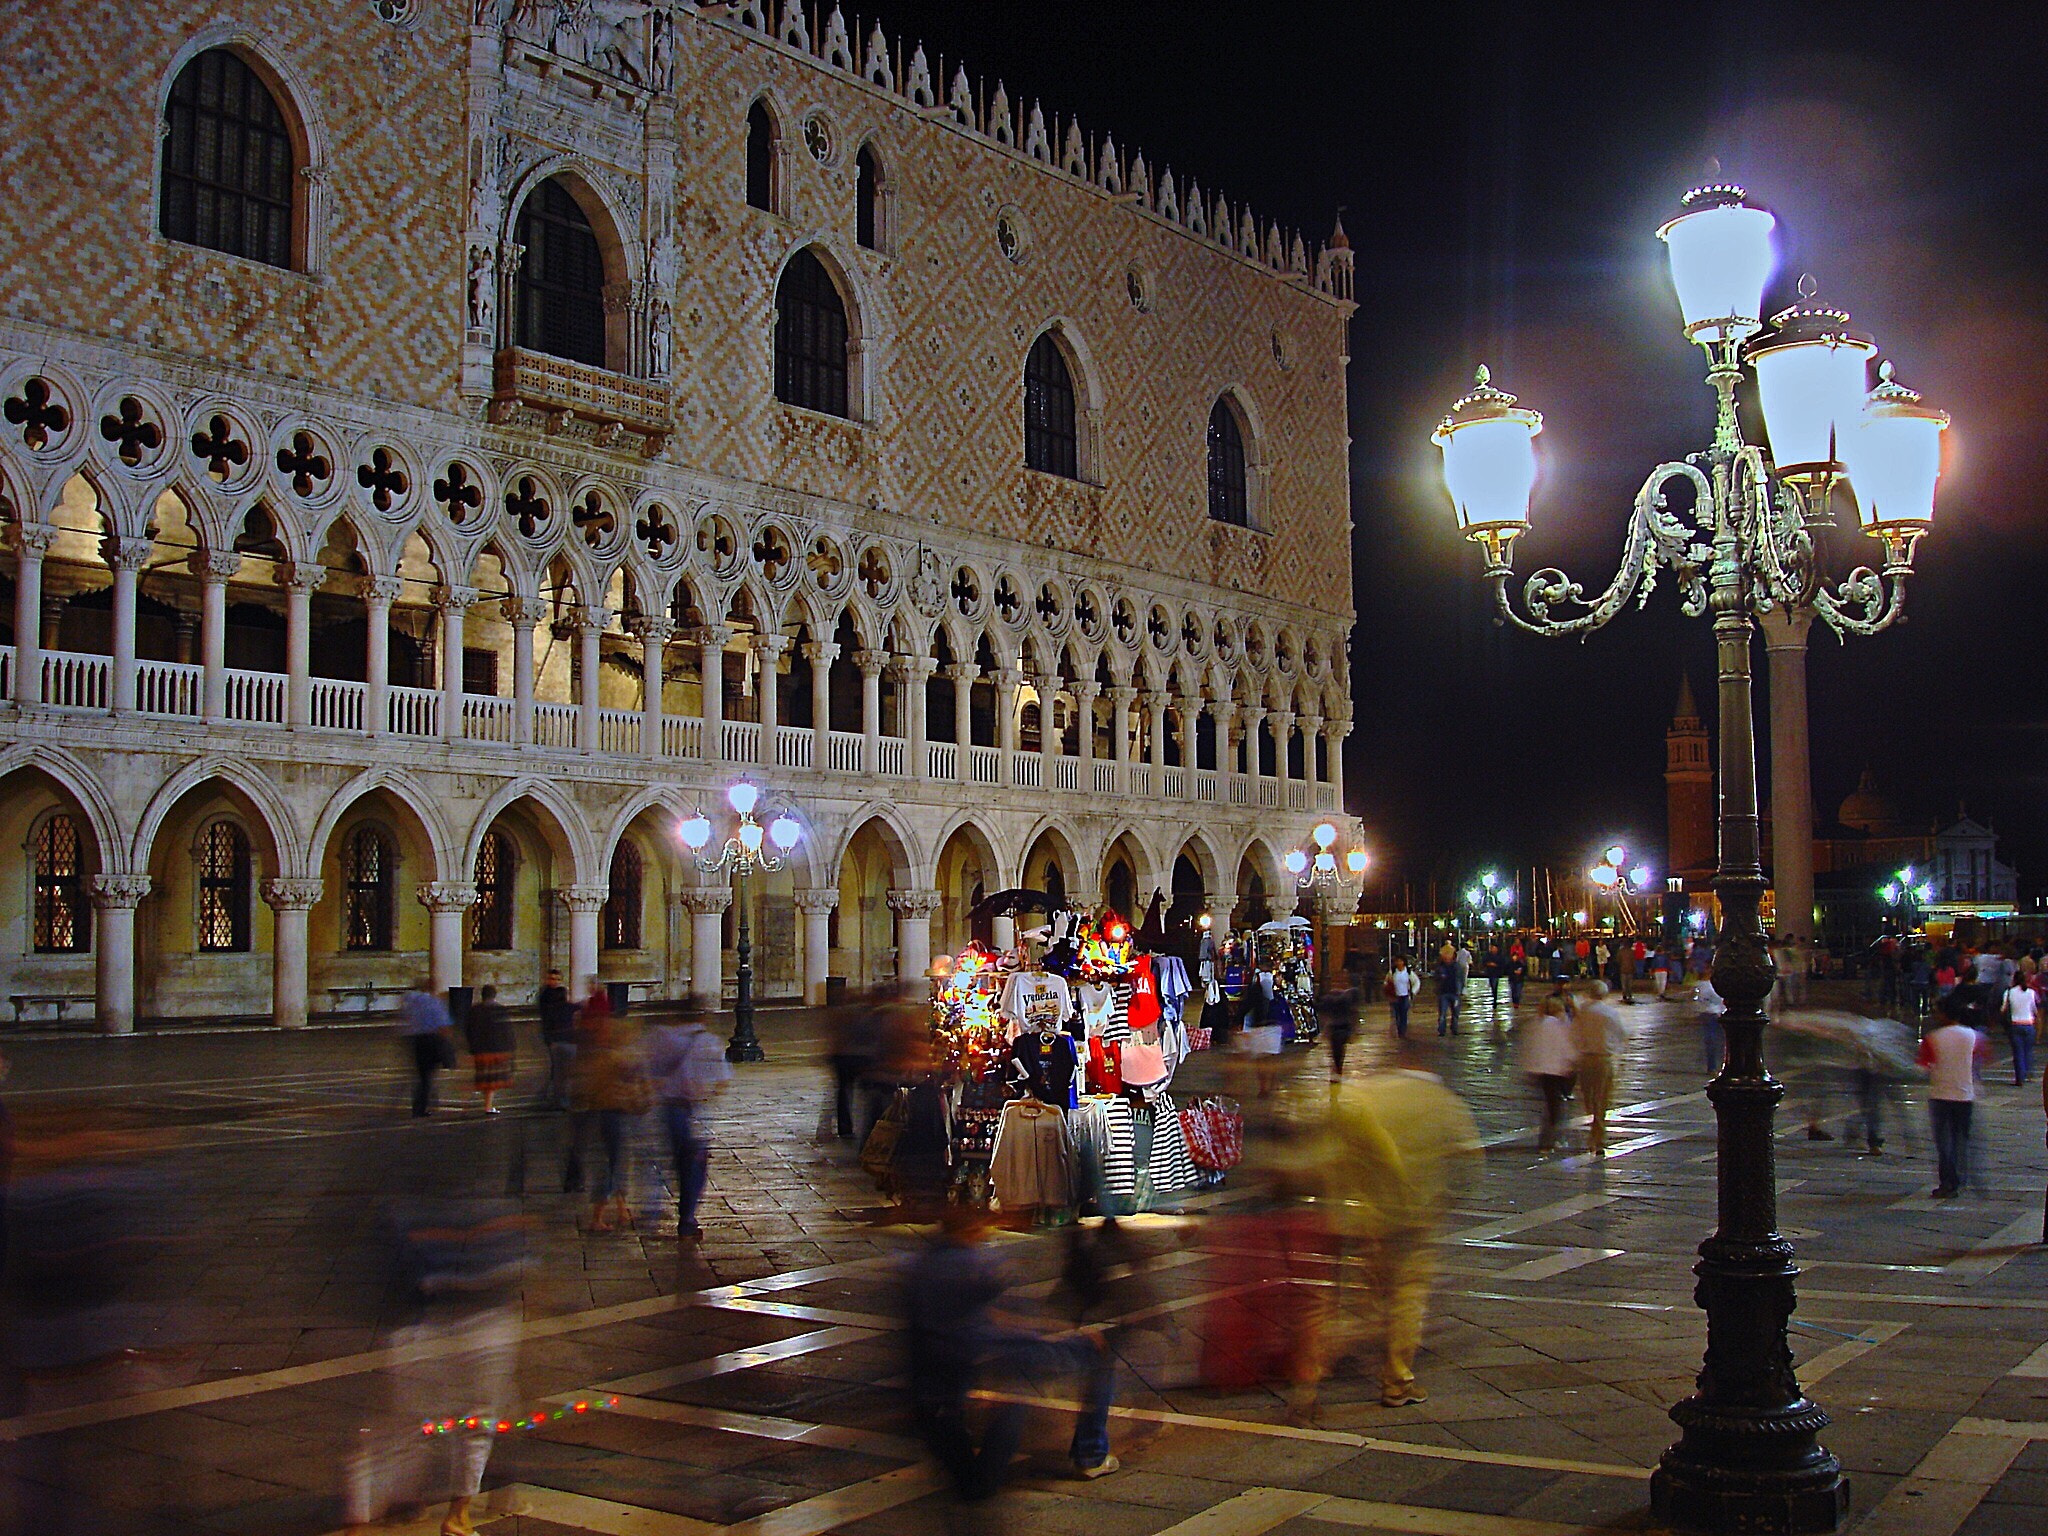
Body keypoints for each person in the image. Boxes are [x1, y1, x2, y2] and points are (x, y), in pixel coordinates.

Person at [903, 1200, 1118, 1498]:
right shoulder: (970, 1265)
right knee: (1093, 1355)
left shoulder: (924, 1263)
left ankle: (976, 1468)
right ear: (971, 1229)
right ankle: (1091, 1454)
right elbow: (999, 1312)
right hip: (982, 1354)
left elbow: (985, 1315)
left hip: (940, 1376)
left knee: (1008, 1396)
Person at [1321, 1060, 1480, 1407]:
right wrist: (1445, 1198)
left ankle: (1319, 1364)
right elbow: (1470, 1161)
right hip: (1414, 1217)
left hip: (1369, 1215)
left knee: (1369, 1292)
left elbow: (1341, 1152)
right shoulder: (1442, 1100)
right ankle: (1397, 1380)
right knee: (1407, 1298)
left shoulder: (1369, 1094)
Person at [644, 1009, 732, 1238]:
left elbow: (649, 1072)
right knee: (696, 1165)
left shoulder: (664, 1038)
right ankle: (687, 1217)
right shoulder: (710, 1042)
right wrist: (706, 1091)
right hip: (695, 1111)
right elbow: (722, 1082)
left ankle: (666, 1206)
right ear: (702, 1018)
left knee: (678, 1160)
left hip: (670, 1109)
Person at [1921, 995, 1989, 1198]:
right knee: (1961, 1140)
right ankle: (1960, 1178)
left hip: (1940, 1094)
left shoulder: (1932, 1038)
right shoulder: (1975, 1036)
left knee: (1943, 1143)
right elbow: (1981, 1059)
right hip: (1965, 1095)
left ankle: (1947, 1182)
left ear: (1943, 1014)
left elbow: (1922, 1067)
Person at [1573, 982, 1629, 1157]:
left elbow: (1574, 1034)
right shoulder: (1609, 1012)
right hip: (1603, 1059)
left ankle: (1595, 1133)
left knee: (1589, 1099)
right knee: (1601, 1099)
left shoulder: (1582, 1011)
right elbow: (1621, 1034)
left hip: (1585, 1059)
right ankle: (1598, 1137)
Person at [1521, 995, 1579, 1154]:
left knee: (1548, 1105)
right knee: (1554, 1108)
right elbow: (1566, 1047)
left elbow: (1529, 1047)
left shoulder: (1536, 1023)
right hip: (1555, 1070)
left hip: (1539, 1070)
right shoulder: (1557, 1025)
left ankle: (1546, 1139)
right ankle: (1548, 1142)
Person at [825, 996, 881, 1141]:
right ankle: (861, 1126)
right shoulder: (867, 1014)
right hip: (855, 1057)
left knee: (844, 1092)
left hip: (844, 1057)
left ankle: (845, 1127)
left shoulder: (846, 1013)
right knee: (861, 1093)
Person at [399, 978, 454, 1118]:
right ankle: (423, 1106)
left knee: (422, 1074)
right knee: (428, 1076)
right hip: (431, 1039)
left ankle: (423, 1104)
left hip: (416, 1040)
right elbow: (443, 1024)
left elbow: (406, 1016)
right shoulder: (434, 1002)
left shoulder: (412, 1001)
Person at [463, 984, 514, 1114]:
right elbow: (506, 1031)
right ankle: (488, 1106)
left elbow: (468, 1030)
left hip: (480, 1049)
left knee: (485, 1079)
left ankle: (487, 1104)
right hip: (496, 1049)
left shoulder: (474, 1010)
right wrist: (510, 1047)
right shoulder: (500, 1010)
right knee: (492, 1081)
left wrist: (471, 1046)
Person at [537, 969, 576, 1110]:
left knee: (559, 1067)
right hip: (554, 1035)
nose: (554, 981)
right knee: (558, 1067)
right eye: (552, 979)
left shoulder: (560, 993)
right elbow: (549, 1016)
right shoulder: (546, 995)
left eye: (556, 979)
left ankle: (551, 1095)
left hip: (561, 1035)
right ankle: (554, 1096)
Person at [1316, 985, 1358, 1082]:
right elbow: (1353, 1013)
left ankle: (1335, 1069)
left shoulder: (1328, 1001)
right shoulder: (1346, 1000)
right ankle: (1338, 1069)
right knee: (1341, 1051)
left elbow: (1323, 1014)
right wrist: (1354, 1030)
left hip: (1334, 1028)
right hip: (1344, 1027)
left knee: (1334, 1051)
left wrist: (1324, 1030)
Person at [2005, 973, 2039, 1087]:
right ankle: (2028, 1073)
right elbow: (2035, 1009)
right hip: (2029, 1024)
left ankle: (2019, 1077)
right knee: (2028, 1051)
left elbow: (2003, 1008)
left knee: (2018, 1052)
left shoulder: (2009, 992)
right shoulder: (2031, 992)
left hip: (2015, 1024)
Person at [1696, 966, 1725, 1074]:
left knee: (1713, 1041)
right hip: (1712, 1014)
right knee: (1714, 1041)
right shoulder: (1708, 986)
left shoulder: (1702, 985)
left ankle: (1713, 1066)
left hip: (1710, 1013)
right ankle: (1713, 1066)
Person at [1385, 955, 1418, 1039]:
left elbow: (1416, 982)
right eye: (1397, 961)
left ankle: (1402, 1032)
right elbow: (1386, 982)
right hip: (1395, 997)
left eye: (1401, 961)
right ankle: (1399, 1029)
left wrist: (1413, 991)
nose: (1399, 963)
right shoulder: (1392, 972)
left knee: (1404, 1014)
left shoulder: (1408, 972)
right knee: (1396, 1015)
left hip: (1405, 996)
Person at [1434, 948, 1461, 1037]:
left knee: (1455, 1013)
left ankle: (1454, 1029)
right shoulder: (1440, 967)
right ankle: (1442, 1030)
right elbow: (1436, 978)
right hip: (1443, 992)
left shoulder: (1457, 966)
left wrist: (1461, 989)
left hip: (1454, 992)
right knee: (1442, 1013)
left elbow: (1461, 978)